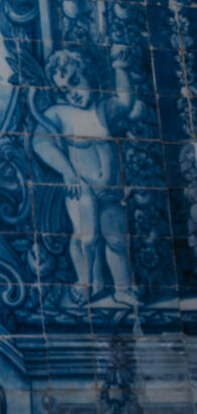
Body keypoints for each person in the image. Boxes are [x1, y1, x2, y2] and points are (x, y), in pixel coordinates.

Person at [29, 47, 142, 306]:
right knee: (86, 237)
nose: (73, 94)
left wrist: (120, 69)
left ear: (89, 73)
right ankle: (87, 282)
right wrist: (68, 172)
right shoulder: (60, 114)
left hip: (110, 190)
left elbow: (126, 102)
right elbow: (41, 144)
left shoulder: (104, 109)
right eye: (64, 90)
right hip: (82, 187)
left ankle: (122, 288)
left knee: (116, 238)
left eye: (76, 82)